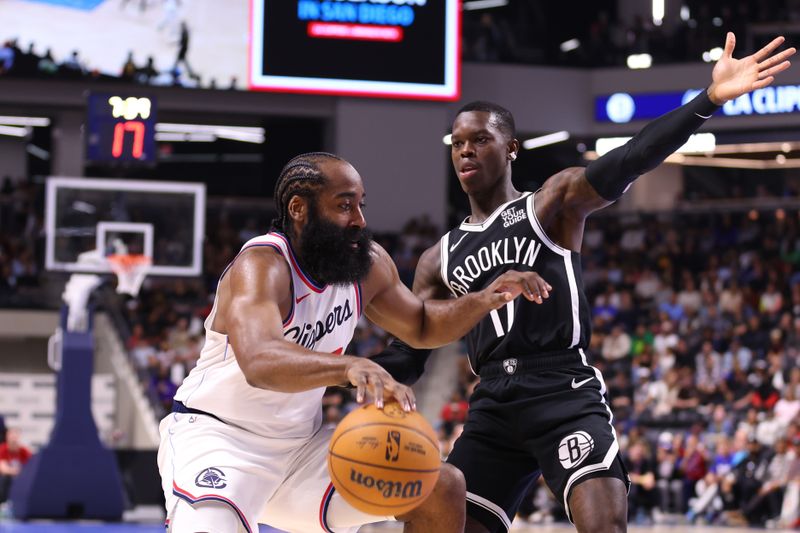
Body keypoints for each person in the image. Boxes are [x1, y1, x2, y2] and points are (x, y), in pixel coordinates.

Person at [368, 32, 795, 532]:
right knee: (450, 524)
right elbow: (410, 349)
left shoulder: (552, 201)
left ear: (511, 148)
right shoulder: (436, 258)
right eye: (457, 143)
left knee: (604, 525)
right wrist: (358, 373)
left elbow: (634, 155)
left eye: (480, 140)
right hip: (492, 401)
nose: (465, 151)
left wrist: (710, 99)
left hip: (562, 388)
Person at [157, 152, 551, 532]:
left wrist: (484, 299)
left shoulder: (366, 264)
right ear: (299, 209)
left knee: (439, 486)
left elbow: (423, 323)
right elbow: (260, 362)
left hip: (300, 452)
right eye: (345, 206)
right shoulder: (261, 266)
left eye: (361, 205)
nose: (360, 220)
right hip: (218, 440)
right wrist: (351, 366)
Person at [0, 428, 32, 503]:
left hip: (19, 477)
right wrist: (19, 471)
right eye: (11, 435)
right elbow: (4, 469)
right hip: (5, 478)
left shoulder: (24, 451)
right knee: (5, 479)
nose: (13, 438)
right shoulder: (2, 449)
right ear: (7, 436)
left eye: (15, 435)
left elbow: (31, 466)